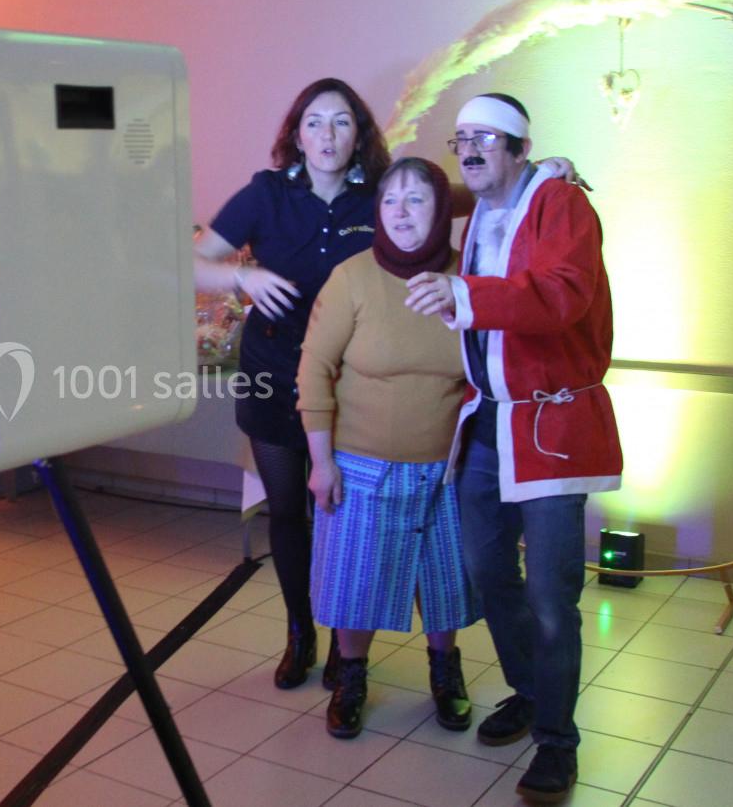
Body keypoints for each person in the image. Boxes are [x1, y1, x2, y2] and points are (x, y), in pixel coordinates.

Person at [406, 93, 621, 803]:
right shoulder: (477, 215)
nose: (468, 149)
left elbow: (562, 293)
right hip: (486, 424)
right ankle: (530, 691)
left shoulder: (560, 204)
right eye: (460, 137)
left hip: (551, 429)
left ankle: (558, 741)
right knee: (486, 570)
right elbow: (405, 217)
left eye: (484, 138)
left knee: (553, 594)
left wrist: (463, 294)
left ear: (521, 146)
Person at [194, 78, 390, 691]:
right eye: (314, 122)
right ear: (296, 134)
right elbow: (193, 262)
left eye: (340, 122)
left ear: (359, 135)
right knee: (288, 510)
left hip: (350, 383)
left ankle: (343, 642)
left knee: (342, 512)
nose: (326, 135)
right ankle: (299, 631)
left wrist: (538, 172)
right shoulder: (267, 194)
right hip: (272, 373)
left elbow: (446, 198)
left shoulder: (379, 198)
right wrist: (242, 281)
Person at [297, 157, 479, 739]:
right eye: (391, 200)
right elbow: (314, 371)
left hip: (447, 469)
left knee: (446, 580)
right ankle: (351, 674)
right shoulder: (352, 277)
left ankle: (445, 670)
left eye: (418, 199)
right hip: (360, 465)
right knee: (357, 581)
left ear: (443, 209)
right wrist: (321, 462)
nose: (402, 212)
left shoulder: (467, 279)